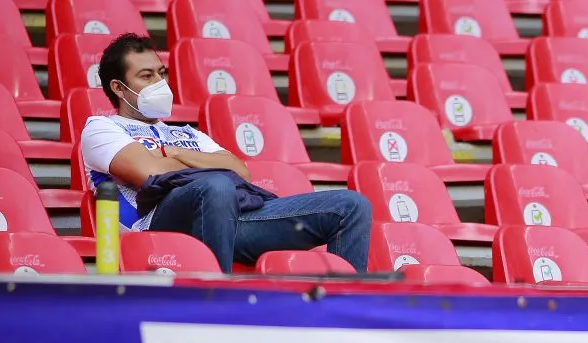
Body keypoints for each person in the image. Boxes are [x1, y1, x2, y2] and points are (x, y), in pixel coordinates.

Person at [80, 33, 371, 273]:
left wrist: (176, 153)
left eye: (162, 73)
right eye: (147, 76)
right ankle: (218, 300)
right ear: (119, 88)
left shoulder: (187, 134)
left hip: (232, 220)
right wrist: (207, 168)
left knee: (351, 205)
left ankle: (345, 310)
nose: (160, 82)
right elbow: (151, 173)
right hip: (157, 225)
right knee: (216, 184)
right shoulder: (101, 128)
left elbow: (241, 172)